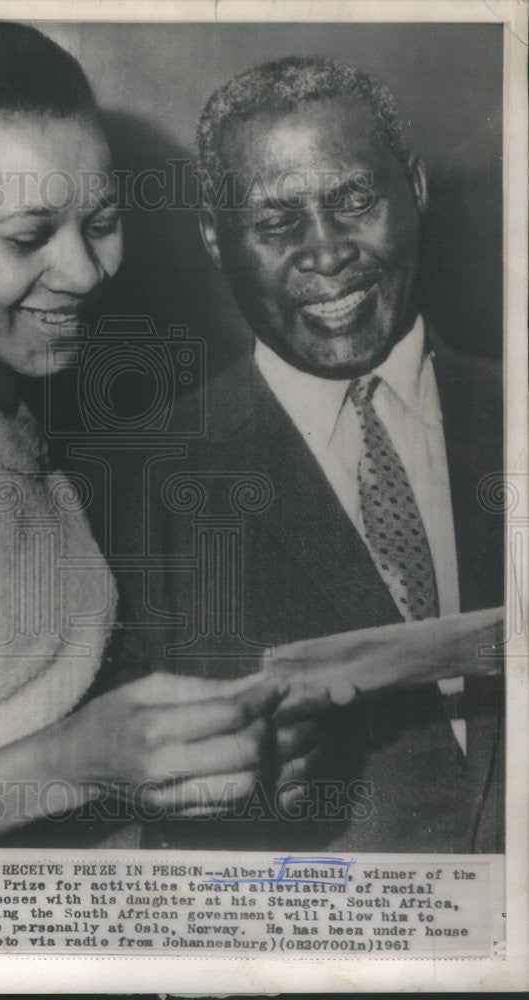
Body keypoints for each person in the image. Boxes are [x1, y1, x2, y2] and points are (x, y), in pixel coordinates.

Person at [0, 22, 312, 847]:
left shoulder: (31, 433)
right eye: (27, 238)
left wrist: (206, 763)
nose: (87, 272)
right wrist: (74, 764)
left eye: (101, 220)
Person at [102, 56, 504, 852]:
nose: (326, 252)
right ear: (216, 238)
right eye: (277, 221)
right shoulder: (131, 487)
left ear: (414, 191)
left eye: (354, 200)